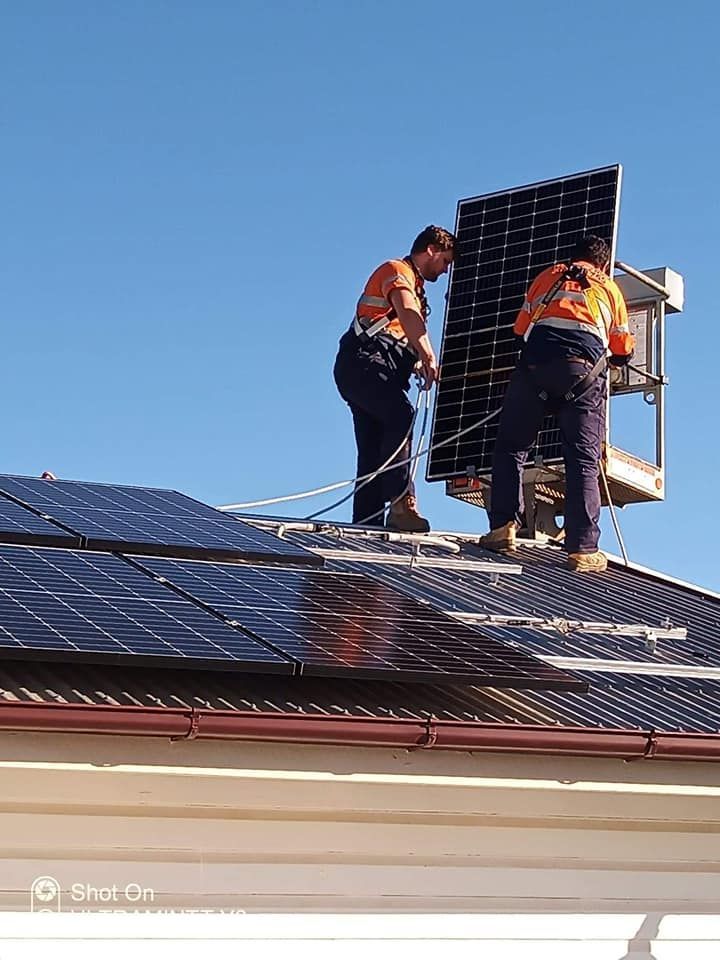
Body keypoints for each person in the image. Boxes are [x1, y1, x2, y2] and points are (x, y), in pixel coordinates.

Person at [480, 234, 635, 572]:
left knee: (510, 447)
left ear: (573, 257)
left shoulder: (547, 276)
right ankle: (582, 548)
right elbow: (622, 348)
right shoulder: (608, 288)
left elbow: (520, 329)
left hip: (533, 370)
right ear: (603, 264)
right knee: (582, 457)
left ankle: (503, 527)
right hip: (582, 375)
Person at [334, 225, 456, 532]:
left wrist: (416, 364)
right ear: (431, 250)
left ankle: (365, 525)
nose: (444, 271)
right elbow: (406, 313)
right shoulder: (396, 271)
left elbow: (399, 335)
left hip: (375, 369)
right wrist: (428, 355)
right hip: (363, 363)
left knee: (373, 448)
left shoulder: (417, 290)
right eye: (444, 262)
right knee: (401, 415)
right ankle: (402, 504)